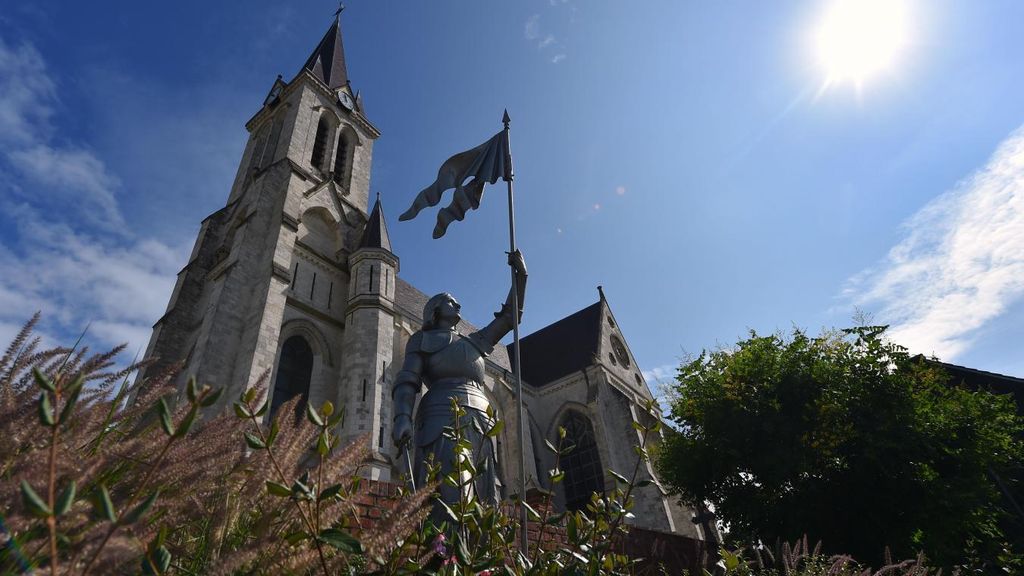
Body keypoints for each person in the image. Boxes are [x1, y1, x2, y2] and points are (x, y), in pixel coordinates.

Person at [392, 250, 527, 514]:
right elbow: (408, 380)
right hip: (441, 416)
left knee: (487, 494)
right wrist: (402, 417)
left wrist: (520, 277)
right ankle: (443, 553)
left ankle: (479, 555)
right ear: (435, 310)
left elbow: (511, 318)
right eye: (452, 302)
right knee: (451, 490)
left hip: (482, 422)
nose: (459, 306)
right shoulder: (421, 339)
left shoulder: (475, 342)